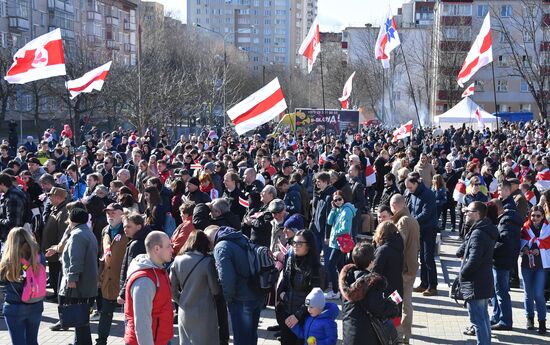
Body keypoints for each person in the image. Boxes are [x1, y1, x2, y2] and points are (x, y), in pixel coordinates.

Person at [204, 226, 266, 345]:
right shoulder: (241, 237)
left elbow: (226, 277)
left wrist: (229, 298)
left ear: (210, 238)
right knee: (252, 335)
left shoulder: (221, 246)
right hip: (256, 294)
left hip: (241, 299)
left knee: (242, 339)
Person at [339, 242, 399, 345]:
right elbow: (377, 307)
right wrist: (393, 307)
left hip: (349, 332)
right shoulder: (370, 283)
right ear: (371, 262)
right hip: (365, 334)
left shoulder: (348, 279)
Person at [170, 230, 222, 345]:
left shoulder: (177, 260)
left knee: (186, 341)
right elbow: (215, 289)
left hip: (184, 310)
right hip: (205, 310)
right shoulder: (207, 262)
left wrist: (182, 300)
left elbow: (172, 289)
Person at [123, 231, 174, 345]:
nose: (172, 249)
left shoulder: (158, 270)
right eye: (168, 246)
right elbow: (142, 322)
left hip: (160, 339)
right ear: (157, 249)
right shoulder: (144, 281)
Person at [459, 201, 498, 345]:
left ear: (476, 214)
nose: (465, 213)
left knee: (477, 320)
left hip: (476, 282)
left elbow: (474, 259)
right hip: (483, 280)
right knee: (483, 318)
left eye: (468, 211)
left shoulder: (478, 233)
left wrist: (463, 274)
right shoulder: (484, 229)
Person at [58, 207, 99, 345]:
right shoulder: (87, 233)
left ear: (72, 220)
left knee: (79, 316)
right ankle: (79, 342)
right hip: (87, 282)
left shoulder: (77, 235)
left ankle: (82, 343)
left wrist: (72, 278)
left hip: (79, 284)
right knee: (81, 317)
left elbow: (76, 259)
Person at [0, 227, 45, 345]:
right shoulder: (38, 256)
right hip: (36, 303)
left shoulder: (7, 260)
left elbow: (2, 282)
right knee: (32, 341)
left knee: (18, 342)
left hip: (14, 305)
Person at [277, 229, 321, 345]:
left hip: (304, 318)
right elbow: (285, 282)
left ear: (309, 246)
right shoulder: (290, 260)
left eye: (300, 243)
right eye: (294, 243)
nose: (295, 246)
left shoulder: (316, 268)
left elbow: (314, 298)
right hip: (287, 313)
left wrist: (297, 315)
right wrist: (282, 294)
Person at [96, 203, 129, 345]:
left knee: (129, 315)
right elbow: (101, 255)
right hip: (107, 279)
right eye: (108, 213)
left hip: (124, 280)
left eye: (113, 213)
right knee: (105, 313)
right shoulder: (105, 230)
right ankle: (101, 341)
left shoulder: (128, 230)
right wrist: (99, 275)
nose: (110, 216)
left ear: (122, 214)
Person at [390, 194, 420, 345]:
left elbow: (398, 247)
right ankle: (405, 335)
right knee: (406, 302)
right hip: (412, 266)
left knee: (399, 302)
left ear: (394, 206)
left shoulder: (402, 222)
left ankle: (400, 334)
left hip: (403, 269)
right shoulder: (413, 219)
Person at [489, 198, 521, 331]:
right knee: (496, 292)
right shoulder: (505, 220)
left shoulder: (506, 222)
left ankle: (505, 321)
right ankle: (497, 316)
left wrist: (490, 249)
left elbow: (505, 243)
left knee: (501, 292)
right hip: (500, 261)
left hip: (502, 262)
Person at [406, 175, 438, 296]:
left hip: (429, 229)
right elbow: (411, 209)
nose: (409, 190)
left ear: (416, 183)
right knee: (423, 259)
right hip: (419, 229)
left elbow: (427, 213)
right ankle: (424, 283)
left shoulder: (428, 194)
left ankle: (433, 286)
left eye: (410, 187)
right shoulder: (413, 194)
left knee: (428, 258)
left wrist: (412, 221)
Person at [520, 205, 547, 334]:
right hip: (526, 264)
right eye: (533, 215)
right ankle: (529, 318)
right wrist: (524, 248)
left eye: (538, 216)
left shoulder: (548, 228)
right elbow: (521, 241)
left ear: (542, 216)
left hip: (541, 265)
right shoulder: (525, 227)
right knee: (528, 293)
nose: (535, 218)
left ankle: (542, 321)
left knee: (538, 294)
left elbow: (547, 243)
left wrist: (539, 248)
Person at [325, 190, 356, 300]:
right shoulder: (339, 209)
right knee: (340, 267)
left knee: (331, 265)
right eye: (335, 200)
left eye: (339, 199)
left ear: (344, 198)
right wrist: (333, 209)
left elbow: (346, 229)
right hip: (337, 242)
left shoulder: (346, 210)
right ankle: (344, 288)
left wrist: (335, 233)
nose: (338, 201)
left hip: (340, 242)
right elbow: (329, 221)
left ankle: (335, 290)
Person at [40, 186, 69, 299]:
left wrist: (57, 249)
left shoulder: (64, 212)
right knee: (53, 273)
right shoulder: (55, 209)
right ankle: (56, 293)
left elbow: (62, 234)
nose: (49, 199)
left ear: (58, 197)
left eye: (51, 196)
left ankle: (59, 295)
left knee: (57, 274)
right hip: (51, 250)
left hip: (56, 252)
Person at [117, 213, 152, 304]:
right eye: (124, 227)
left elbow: (131, 271)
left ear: (139, 227)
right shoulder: (147, 239)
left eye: (129, 227)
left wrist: (123, 294)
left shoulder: (136, 244)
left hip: (134, 289)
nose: (125, 229)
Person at [372, 221, 404, 302]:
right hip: (397, 291)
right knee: (396, 312)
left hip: (384, 291)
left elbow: (375, 273)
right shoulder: (399, 247)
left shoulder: (383, 250)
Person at [0, 173, 30, 241]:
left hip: (13, 238)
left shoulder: (12, 197)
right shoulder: (12, 193)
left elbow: (13, 223)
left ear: (2, 184)